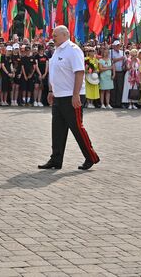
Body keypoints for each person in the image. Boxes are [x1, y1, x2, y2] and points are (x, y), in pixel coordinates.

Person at [38, 26, 100, 171]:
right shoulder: (57, 51)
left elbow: (79, 72)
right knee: (57, 129)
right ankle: (56, 159)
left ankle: (91, 157)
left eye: (55, 35)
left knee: (77, 128)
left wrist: (76, 94)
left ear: (65, 34)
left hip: (71, 95)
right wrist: (51, 90)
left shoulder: (73, 50)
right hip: (58, 96)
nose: (53, 37)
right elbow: (54, 73)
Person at [110, 40, 125, 107]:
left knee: (120, 87)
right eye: (116, 45)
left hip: (121, 72)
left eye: (119, 45)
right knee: (113, 88)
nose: (118, 46)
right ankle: (113, 103)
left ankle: (118, 103)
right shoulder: (111, 52)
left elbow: (125, 60)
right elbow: (111, 61)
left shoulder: (122, 52)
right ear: (113, 46)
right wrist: (119, 59)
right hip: (113, 72)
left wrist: (124, 63)